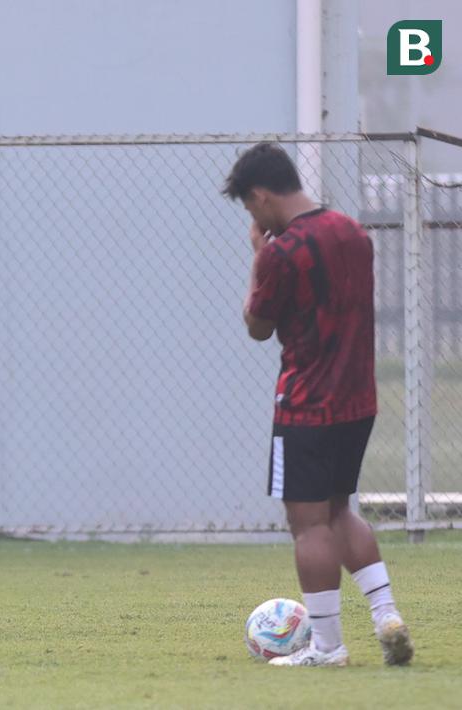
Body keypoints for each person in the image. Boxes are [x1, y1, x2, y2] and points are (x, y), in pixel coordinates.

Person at [224, 143, 413, 667]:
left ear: (261, 196)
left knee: (309, 525)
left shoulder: (281, 253)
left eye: (249, 207)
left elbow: (258, 328)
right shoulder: (353, 233)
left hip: (306, 403)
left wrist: (258, 258)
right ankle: (386, 615)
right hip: (359, 399)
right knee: (339, 511)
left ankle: (327, 647)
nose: (253, 216)